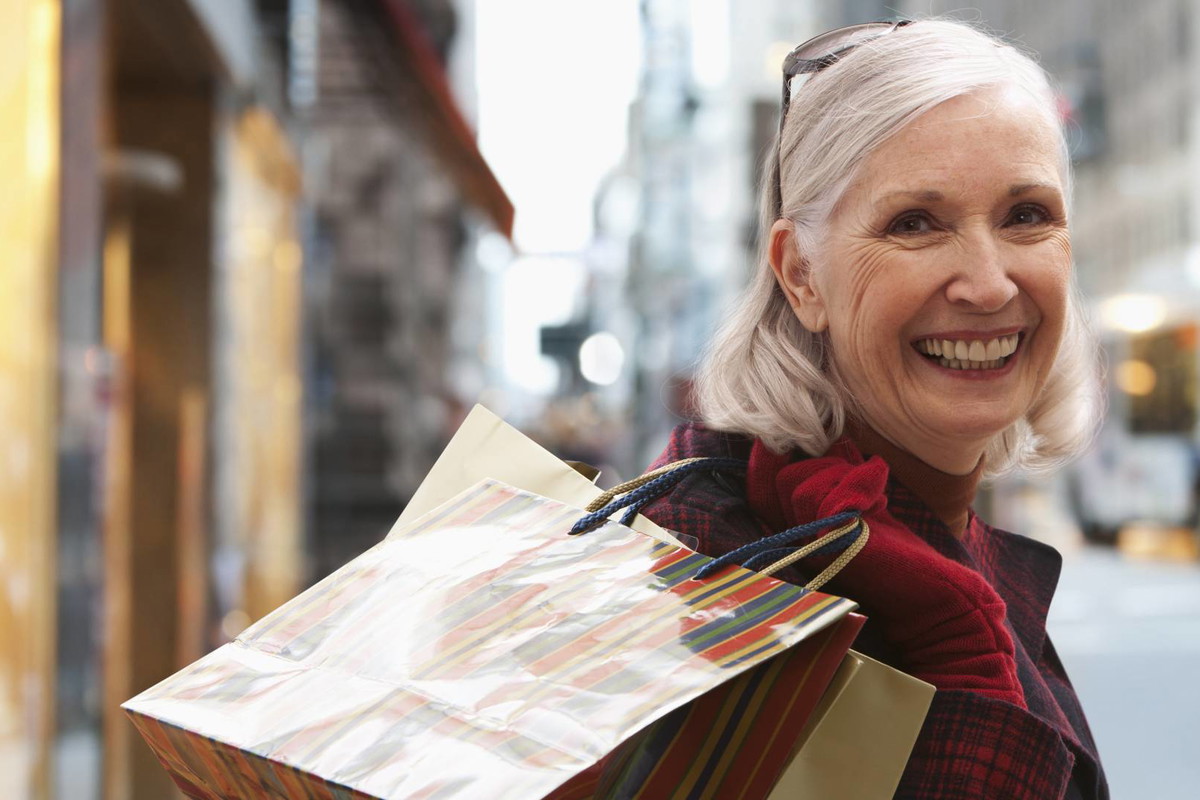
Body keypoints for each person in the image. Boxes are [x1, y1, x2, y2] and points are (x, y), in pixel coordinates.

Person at [639, 18, 1109, 799]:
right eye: (914, 224)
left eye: (1026, 215)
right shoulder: (702, 572)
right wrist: (959, 647)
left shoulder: (943, 538)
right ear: (800, 277)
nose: (989, 284)